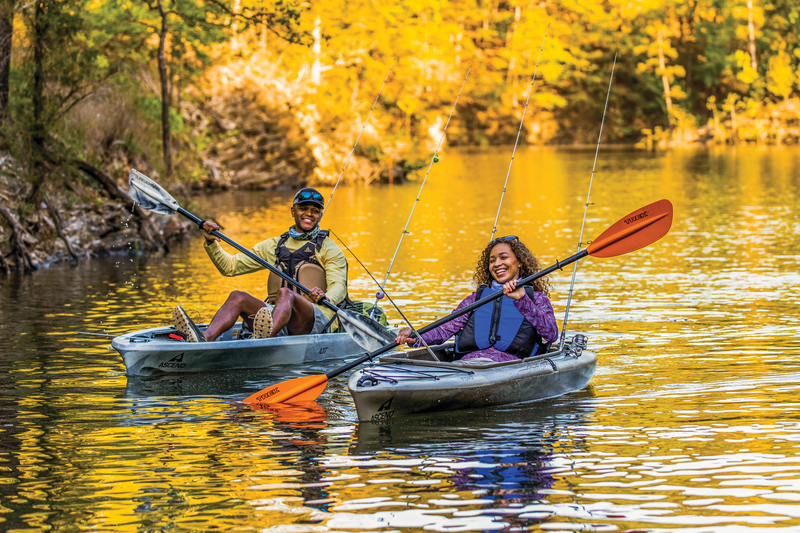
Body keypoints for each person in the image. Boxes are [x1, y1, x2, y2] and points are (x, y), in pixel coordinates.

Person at [172, 187, 348, 342]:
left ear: (320, 215)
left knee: (286, 294)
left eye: (315, 210)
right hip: (279, 317)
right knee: (237, 296)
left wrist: (327, 297)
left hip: (314, 319)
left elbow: (339, 285)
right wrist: (211, 243)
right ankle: (205, 338)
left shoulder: (328, 248)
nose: (309, 213)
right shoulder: (274, 245)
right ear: (293, 211)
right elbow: (230, 267)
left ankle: (262, 340)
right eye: (303, 208)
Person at [394, 236, 558, 362]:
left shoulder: (536, 299)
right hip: (469, 365)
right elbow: (444, 329)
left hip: (510, 367)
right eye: (492, 260)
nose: (497, 264)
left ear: (520, 262)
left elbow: (551, 334)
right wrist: (415, 336)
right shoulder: (476, 299)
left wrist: (522, 299)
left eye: (504, 257)